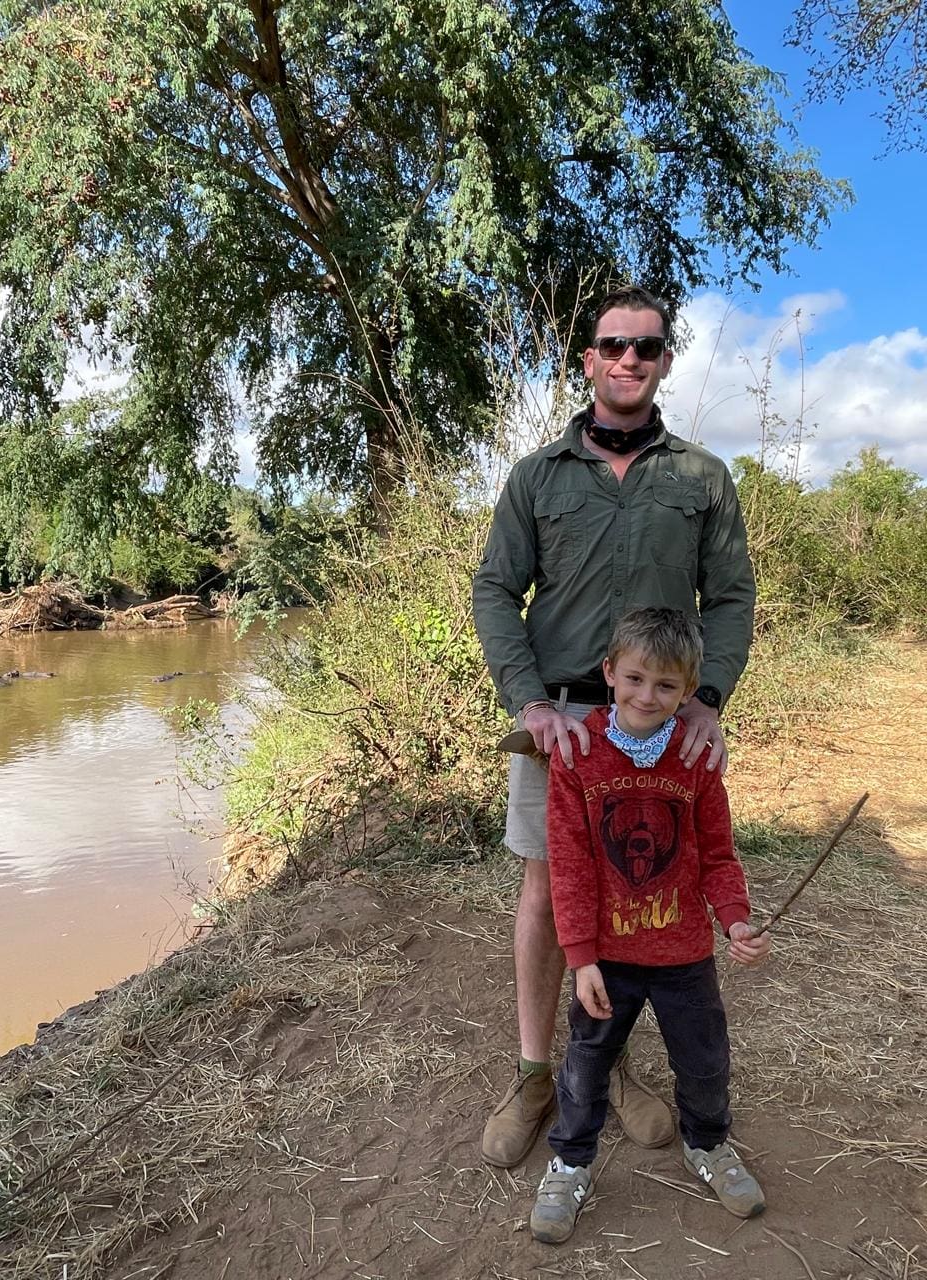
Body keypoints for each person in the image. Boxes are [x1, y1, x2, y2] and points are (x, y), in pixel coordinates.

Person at [472, 284, 756, 1168]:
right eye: (613, 345)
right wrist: (529, 700)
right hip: (562, 726)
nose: (629, 358)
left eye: (647, 345)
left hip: (664, 726)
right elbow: (494, 591)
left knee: (645, 887)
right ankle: (532, 1075)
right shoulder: (536, 477)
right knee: (550, 895)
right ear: (588, 360)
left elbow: (734, 597)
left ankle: (612, 1067)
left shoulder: (703, 478)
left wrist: (707, 699)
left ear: (665, 359)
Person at [529, 606, 770, 1243]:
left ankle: (709, 1146)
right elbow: (571, 866)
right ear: (609, 673)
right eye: (634, 678)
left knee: (706, 1061)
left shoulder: (698, 759)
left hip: (685, 953)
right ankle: (570, 1163)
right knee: (585, 1064)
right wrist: (580, 956)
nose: (647, 695)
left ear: (689, 692)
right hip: (606, 959)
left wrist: (735, 920)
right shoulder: (578, 756)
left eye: (666, 686)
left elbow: (718, 854)